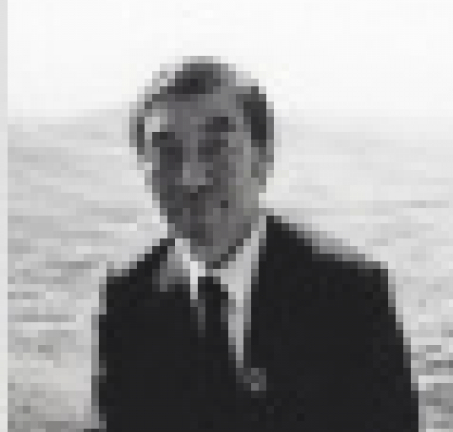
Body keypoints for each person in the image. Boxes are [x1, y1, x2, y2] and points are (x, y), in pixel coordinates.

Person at [92, 58, 421, 432]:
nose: (191, 178)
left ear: (264, 160)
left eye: (216, 148)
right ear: (143, 170)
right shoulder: (129, 298)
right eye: (167, 152)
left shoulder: (348, 294)